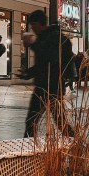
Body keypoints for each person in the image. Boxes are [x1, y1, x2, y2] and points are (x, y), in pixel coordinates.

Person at [23, 9, 73, 137]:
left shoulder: (54, 37)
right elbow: (42, 64)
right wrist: (28, 73)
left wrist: (32, 44)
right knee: (34, 120)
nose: (32, 29)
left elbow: (49, 59)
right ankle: (75, 141)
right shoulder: (46, 36)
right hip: (46, 85)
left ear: (38, 24)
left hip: (51, 85)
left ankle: (75, 142)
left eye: (33, 25)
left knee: (35, 120)